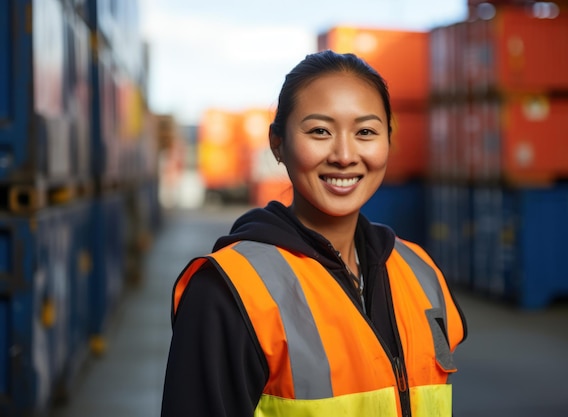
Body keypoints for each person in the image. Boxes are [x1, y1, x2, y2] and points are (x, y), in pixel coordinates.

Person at [160, 49, 467, 417]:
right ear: (278, 144)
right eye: (320, 131)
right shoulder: (228, 291)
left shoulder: (421, 273)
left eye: (365, 132)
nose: (344, 154)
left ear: (388, 139)